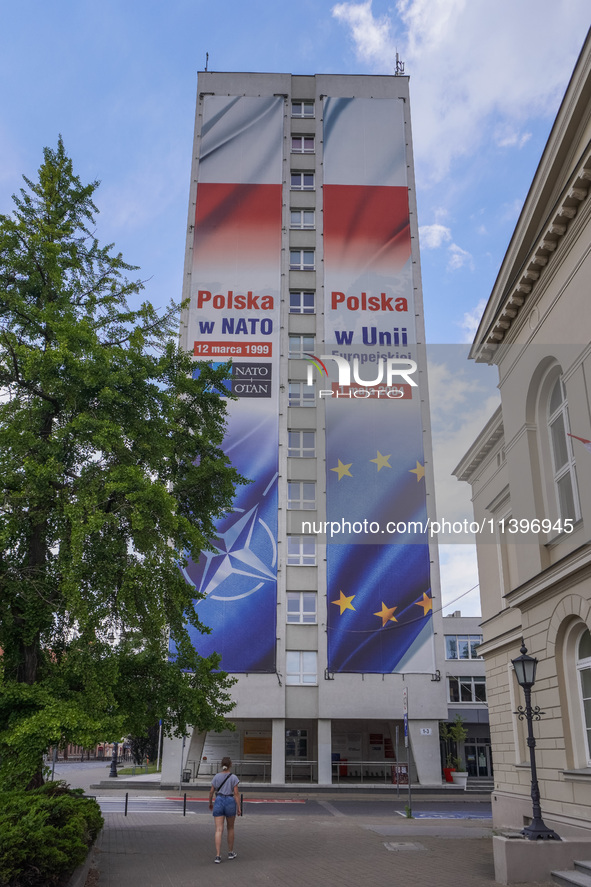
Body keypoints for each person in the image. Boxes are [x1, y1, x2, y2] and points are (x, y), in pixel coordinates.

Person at [208, 756, 241, 863]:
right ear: (230, 765)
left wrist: (210, 803)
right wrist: (239, 808)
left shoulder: (216, 776)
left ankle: (218, 855)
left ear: (221, 765)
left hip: (219, 800)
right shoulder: (234, 778)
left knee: (218, 829)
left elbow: (211, 792)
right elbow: (236, 794)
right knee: (230, 828)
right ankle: (230, 852)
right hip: (230, 802)